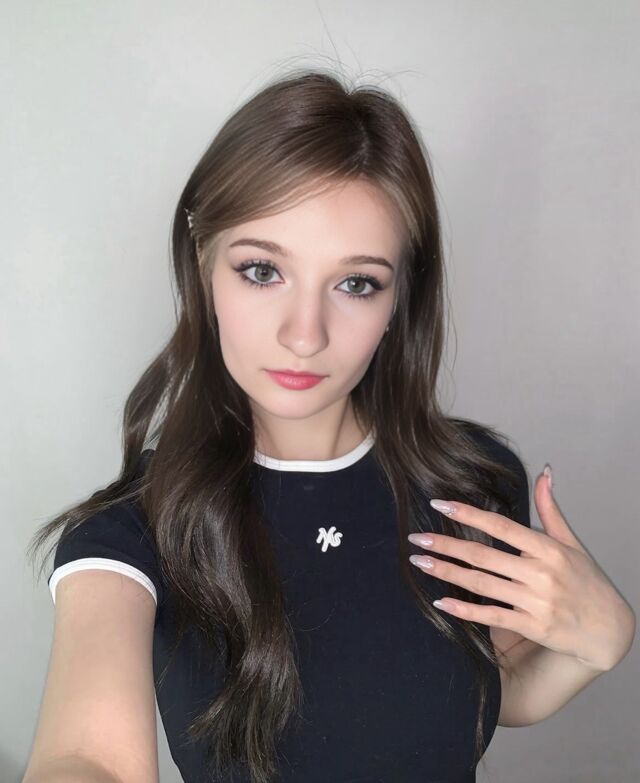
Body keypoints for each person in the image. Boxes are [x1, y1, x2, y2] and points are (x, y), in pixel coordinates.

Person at [24, 68, 635, 783]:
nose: (305, 334)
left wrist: (601, 642)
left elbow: (487, 691)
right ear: (204, 263)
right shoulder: (133, 531)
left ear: (399, 297)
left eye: (356, 283)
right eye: (261, 271)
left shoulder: (473, 478)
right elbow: (87, 757)